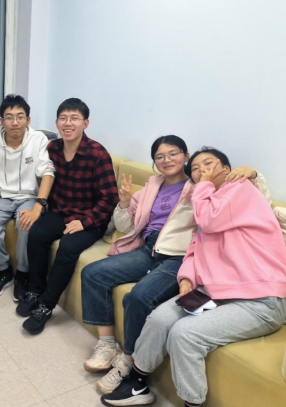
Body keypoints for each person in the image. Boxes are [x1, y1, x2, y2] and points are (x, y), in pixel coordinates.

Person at [101, 147, 286, 407]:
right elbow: (194, 248)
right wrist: (187, 278)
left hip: (259, 299)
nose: (201, 171)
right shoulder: (207, 202)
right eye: (196, 169)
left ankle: (192, 403)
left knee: (184, 334)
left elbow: (210, 220)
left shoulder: (241, 189)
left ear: (227, 170)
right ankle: (138, 383)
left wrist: (205, 185)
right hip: (214, 294)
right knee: (159, 319)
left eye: (209, 164)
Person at [17, 98, 119, 334]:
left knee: (67, 247)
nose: (68, 123)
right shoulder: (52, 148)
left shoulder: (98, 154)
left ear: (86, 123)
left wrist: (84, 222)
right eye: (63, 118)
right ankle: (35, 290)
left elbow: (109, 199)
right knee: (36, 233)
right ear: (56, 123)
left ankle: (46, 305)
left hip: (89, 220)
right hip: (60, 212)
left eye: (74, 118)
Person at [0, 94, 55, 301]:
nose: (15, 122)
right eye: (9, 117)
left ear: (28, 120)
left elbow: (48, 172)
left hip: (29, 196)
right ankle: (3, 270)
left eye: (20, 116)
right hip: (1, 197)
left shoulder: (38, 140)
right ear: (1, 121)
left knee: (26, 224)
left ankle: (23, 274)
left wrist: (39, 206)